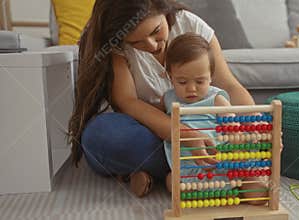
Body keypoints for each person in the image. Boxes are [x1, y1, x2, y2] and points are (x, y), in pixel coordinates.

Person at [68, 0, 256, 198]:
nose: (150, 45)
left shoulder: (192, 26)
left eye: (155, 31)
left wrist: (254, 125)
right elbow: (128, 102)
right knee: (101, 134)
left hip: (206, 130)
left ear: (164, 10)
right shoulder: (117, 47)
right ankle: (199, 170)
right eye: (136, 42)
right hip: (154, 135)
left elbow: (229, 86)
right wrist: (184, 135)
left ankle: (166, 173)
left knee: (246, 135)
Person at [161, 33, 268, 205]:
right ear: (170, 76)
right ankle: (206, 194)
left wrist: (242, 141)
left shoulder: (216, 99)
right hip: (188, 167)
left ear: (211, 77)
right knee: (171, 182)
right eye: (182, 82)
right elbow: (161, 125)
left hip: (222, 164)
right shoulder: (167, 99)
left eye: (200, 81)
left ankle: (251, 187)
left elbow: (233, 128)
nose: (191, 88)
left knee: (251, 184)